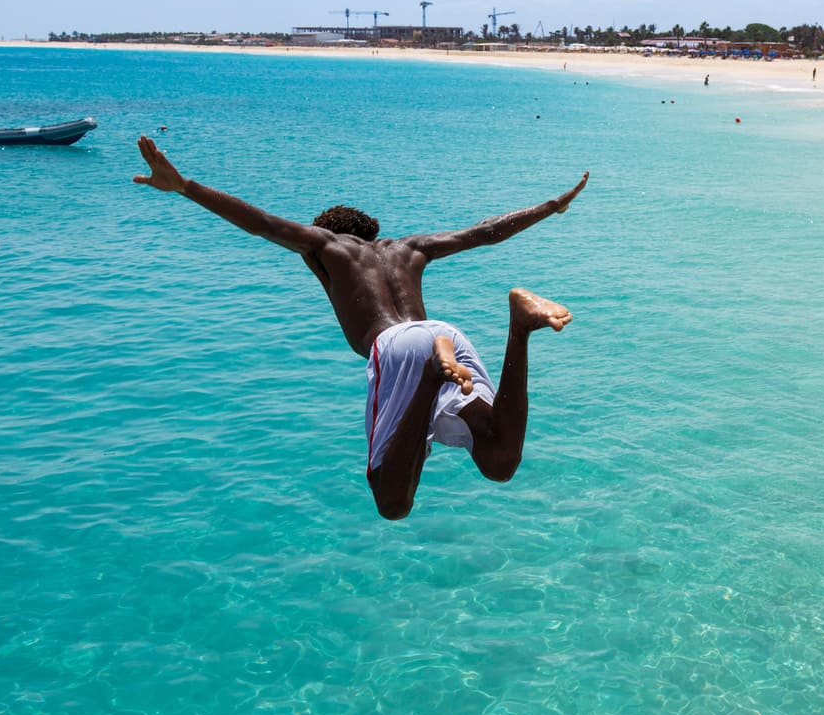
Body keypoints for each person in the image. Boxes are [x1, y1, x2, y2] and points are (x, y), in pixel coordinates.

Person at [131, 135, 586, 520]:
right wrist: (550, 206)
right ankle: (519, 327)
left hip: (401, 349)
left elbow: (262, 224)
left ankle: (432, 373)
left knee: (392, 502)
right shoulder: (410, 248)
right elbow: (483, 232)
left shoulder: (326, 245)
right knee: (498, 459)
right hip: (444, 331)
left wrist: (185, 186)